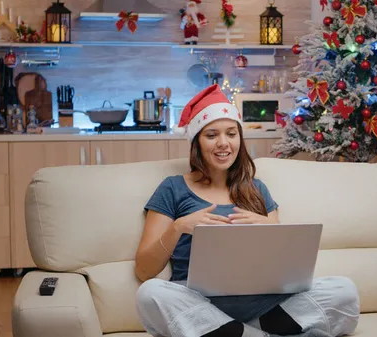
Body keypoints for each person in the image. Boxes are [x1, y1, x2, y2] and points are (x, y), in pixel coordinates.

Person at [134, 84, 360, 337]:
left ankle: (242, 332)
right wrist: (179, 227)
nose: (223, 143)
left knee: (344, 290)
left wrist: (270, 228)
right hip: (199, 305)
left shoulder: (257, 189)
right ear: (196, 141)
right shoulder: (172, 188)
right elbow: (144, 271)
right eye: (211, 135)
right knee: (150, 294)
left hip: (266, 306)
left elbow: (287, 268)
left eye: (231, 133)